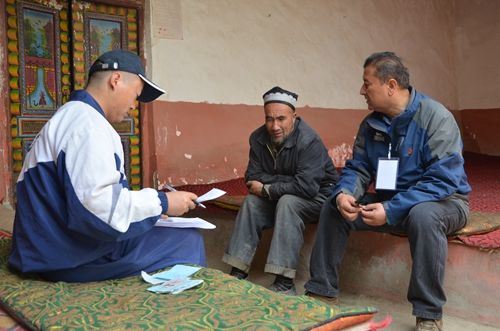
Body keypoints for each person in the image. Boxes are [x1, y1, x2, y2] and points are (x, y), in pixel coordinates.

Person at [304, 52, 471, 331]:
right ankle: (321, 290)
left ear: (391, 85)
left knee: (424, 216)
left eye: (367, 84)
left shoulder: (436, 117)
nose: (362, 91)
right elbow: (358, 168)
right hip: (390, 202)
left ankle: (428, 314)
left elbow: (442, 180)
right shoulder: (371, 124)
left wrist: (392, 209)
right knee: (334, 207)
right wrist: (345, 193)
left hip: (443, 201)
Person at [9, 49, 206, 282]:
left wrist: (151, 214)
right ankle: (178, 313)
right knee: (188, 240)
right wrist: (162, 202)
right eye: (136, 95)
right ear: (116, 80)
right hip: (66, 257)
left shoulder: (69, 116)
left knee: (157, 228)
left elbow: (88, 197)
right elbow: (98, 210)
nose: (134, 106)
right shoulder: (90, 126)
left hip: (46, 246)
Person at [222, 86, 338, 295]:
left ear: (294, 116)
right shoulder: (257, 138)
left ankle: (284, 282)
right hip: (284, 194)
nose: (274, 126)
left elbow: (306, 186)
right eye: (269, 119)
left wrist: (268, 188)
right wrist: (281, 184)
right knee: (251, 202)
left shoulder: (309, 140)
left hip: (320, 196)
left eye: (281, 119)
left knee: (288, 202)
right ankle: (237, 271)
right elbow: (251, 177)